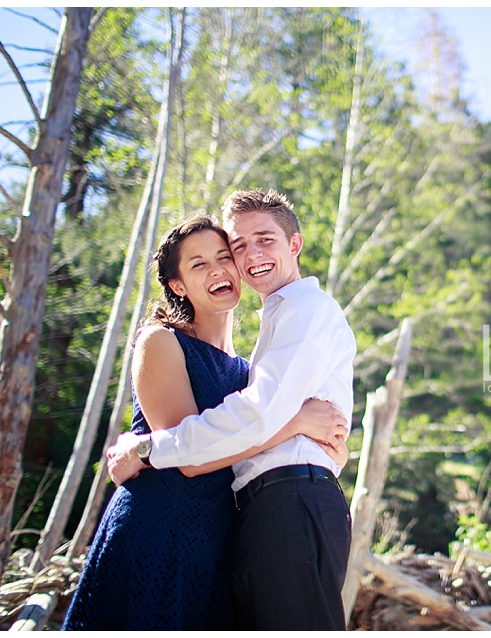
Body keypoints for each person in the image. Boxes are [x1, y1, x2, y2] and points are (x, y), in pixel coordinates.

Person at [63, 216, 347, 630]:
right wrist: (295, 422)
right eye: (198, 264)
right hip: (161, 526)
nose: (217, 270)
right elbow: (191, 458)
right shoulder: (160, 341)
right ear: (177, 285)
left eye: (223, 256)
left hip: (218, 536)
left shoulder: (250, 370)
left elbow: (260, 432)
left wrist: (323, 438)